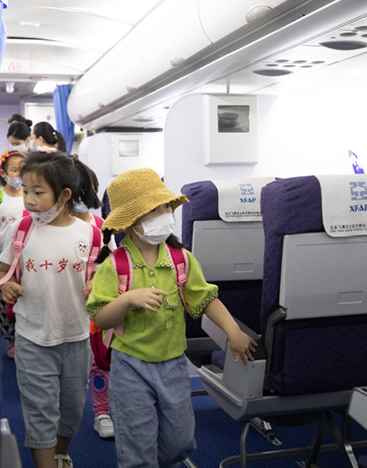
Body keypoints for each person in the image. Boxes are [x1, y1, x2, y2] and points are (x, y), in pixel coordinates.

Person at [86, 168, 257, 468]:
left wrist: (233, 331)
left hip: (174, 364)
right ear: (131, 221)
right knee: (138, 447)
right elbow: (101, 319)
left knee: (180, 442)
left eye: (166, 206)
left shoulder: (181, 259)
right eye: (154, 210)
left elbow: (205, 299)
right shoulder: (115, 265)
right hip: (130, 367)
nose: (165, 214)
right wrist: (127, 299)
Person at [0, 151, 95, 468]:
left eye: (38, 193)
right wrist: (6, 285)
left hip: (77, 337)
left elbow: (103, 277)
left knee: (72, 409)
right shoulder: (21, 230)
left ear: (64, 195)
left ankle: (60, 453)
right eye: (26, 190)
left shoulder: (90, 233)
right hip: (33, 337)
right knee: (40, 410)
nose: (28, 200)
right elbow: (3, 271)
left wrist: (98, 286)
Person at [71, 157, 116, 439]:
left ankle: (102, 412)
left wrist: (97, 282)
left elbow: (114, 264)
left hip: (95, 310)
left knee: (100, 363)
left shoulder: (102, 227)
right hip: (64, 309)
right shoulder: (51, 228)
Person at [0, 151, 27, 359]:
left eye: (22, 170)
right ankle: (11, 340)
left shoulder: (30, 195)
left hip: (27, 258)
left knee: (25, 298)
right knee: (4, 302)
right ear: (3, 173)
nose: (19, 175)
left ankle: (26, 337)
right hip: (3, 259)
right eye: (14, 170)